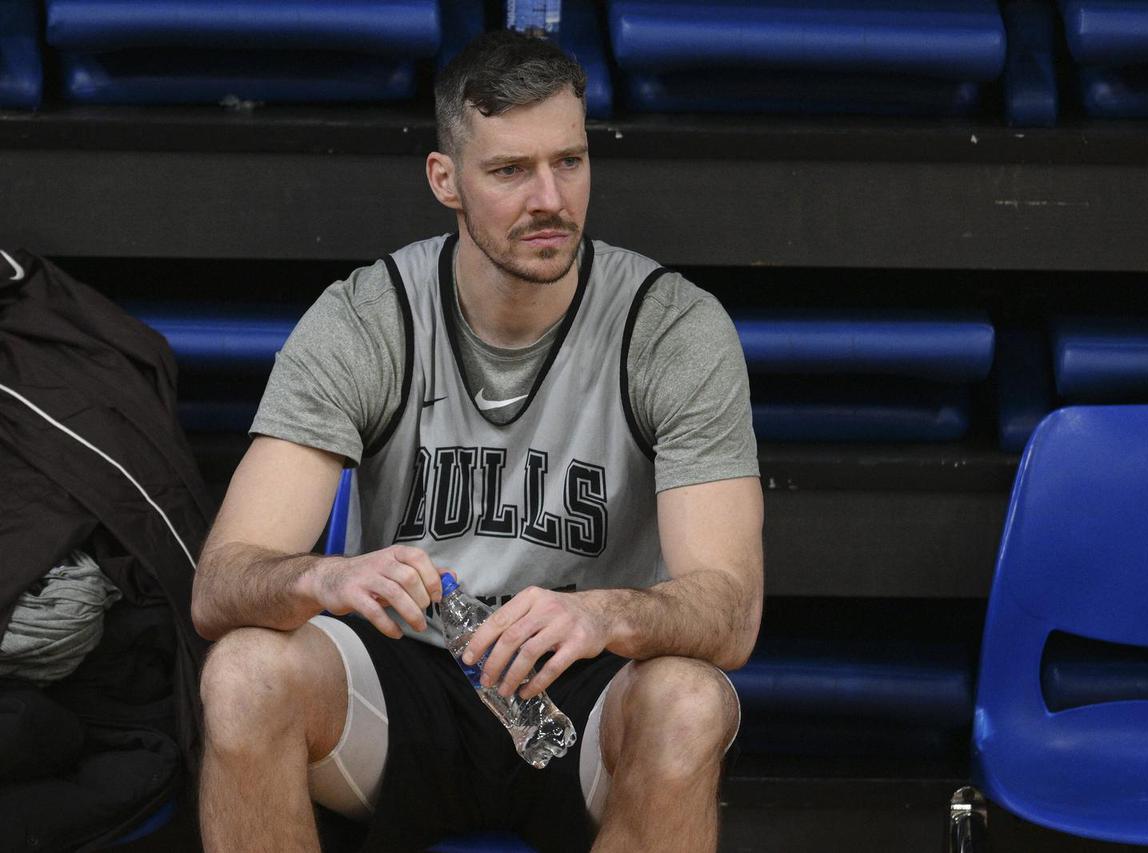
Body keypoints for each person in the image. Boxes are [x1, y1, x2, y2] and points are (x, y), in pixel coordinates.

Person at [192, 29, 763, 853]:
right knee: (245, 672)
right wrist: (327, 573)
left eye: (568, 162)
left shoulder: (670, 326)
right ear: (445, 180)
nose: (550, 199)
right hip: (410, 685)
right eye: (509, 170)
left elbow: (730, 610)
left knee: (690, 700)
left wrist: (601, 614)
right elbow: (222, 584)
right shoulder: (369, 317)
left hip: (590, 687)